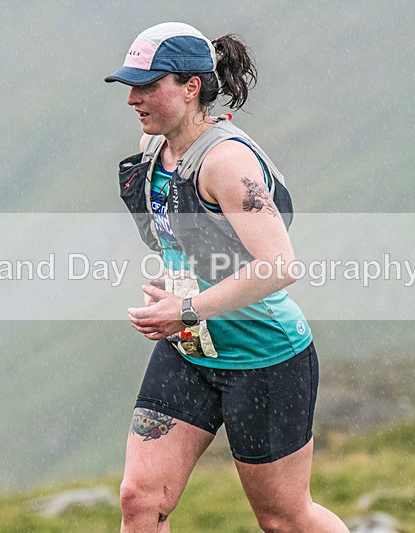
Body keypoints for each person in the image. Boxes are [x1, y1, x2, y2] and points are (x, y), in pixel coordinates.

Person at [106, 22, 349, 533]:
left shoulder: (226, 162)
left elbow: (281, 265)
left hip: (264, 358)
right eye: (130, 85)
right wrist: (180, 294)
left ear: (191, 87)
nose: (132, 98)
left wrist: (185, 308)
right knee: (139, 501)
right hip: (189, 349)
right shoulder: (156, 146)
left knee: (283, 518)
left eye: (148, 86)